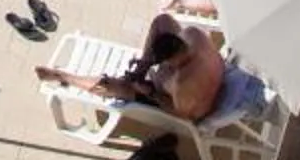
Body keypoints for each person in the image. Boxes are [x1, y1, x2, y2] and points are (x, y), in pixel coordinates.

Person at [35, 12, 225, 122]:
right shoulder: (194, 36)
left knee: (113, 86)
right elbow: (167, 32)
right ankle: (139, 69)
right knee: (163, 21)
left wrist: (149, 92)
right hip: (211, 74)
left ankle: (65, 77)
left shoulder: (184, 84)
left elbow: (181, 115)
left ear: (171, 62)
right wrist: (146, 63)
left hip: (191, 105)